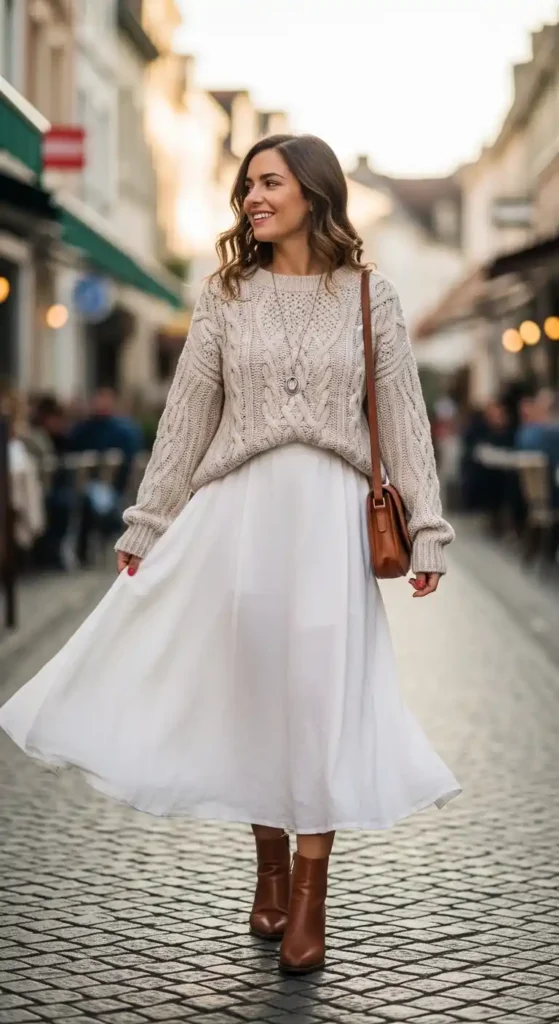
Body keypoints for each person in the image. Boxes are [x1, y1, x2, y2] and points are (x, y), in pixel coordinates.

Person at [0, 134, 460, 976]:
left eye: (269, 182)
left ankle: (312, 896)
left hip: (329, 519)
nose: (251, 197)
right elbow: (185, 417)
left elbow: (400, 416)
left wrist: (426, 526)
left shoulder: (371, 296)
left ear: (314, 193)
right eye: (246, 184)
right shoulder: (224, 294)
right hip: (236, 515)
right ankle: (269, 867)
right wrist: (148, 521)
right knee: (255, 693)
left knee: (319, 697)